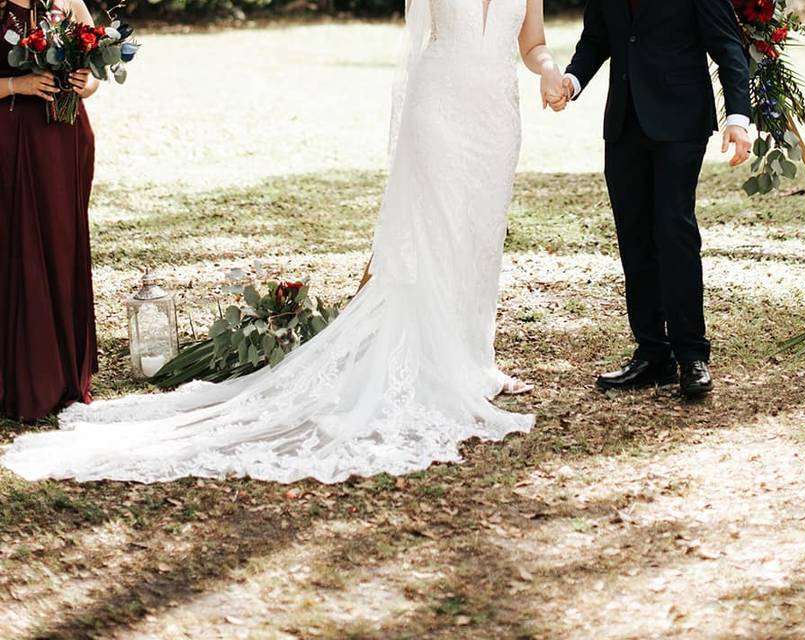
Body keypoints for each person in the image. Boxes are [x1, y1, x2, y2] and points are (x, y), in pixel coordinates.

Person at [1, 0, 566, 483]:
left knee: (479, 235)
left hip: (496, 116)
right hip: (439, 110)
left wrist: (546, 69)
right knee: (434, 232)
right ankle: (433, 361)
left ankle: (473, 359)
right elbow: (421, 43)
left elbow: (532, 41)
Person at [554, 0, 753, 399]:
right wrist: (572, 80)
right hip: (625, 123)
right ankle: (652, 353)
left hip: (681, 121)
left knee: (673, 229)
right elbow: (596, 39)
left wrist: (738, 118)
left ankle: (691, 355)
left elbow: (728, 46)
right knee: (634, 236)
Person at [0, 0, 99, 421]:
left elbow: (93, 79)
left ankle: (60, 375)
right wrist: (14, 86)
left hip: (63, 139)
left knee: (60, 247)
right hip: (9, 142)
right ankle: (20, 377)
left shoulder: (68, 2)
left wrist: (82, 82)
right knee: (15, 247)